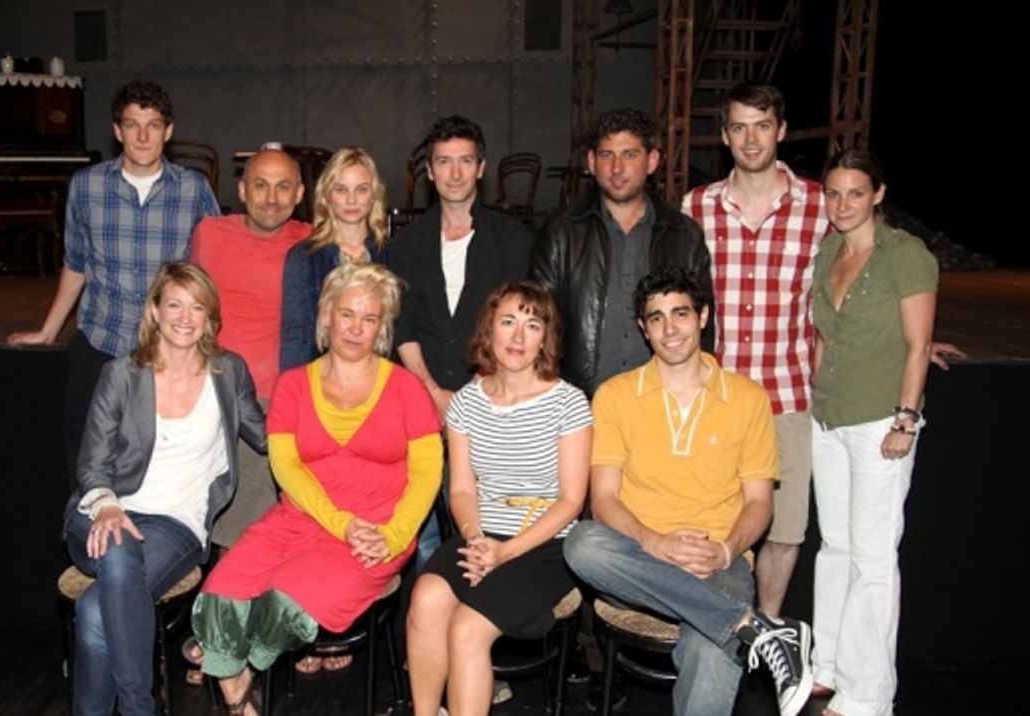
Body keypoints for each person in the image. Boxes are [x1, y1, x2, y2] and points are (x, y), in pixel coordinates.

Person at [563, 267, 812, 716]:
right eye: (656, 317)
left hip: (718, 565)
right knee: (582, 544)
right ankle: (756, 629)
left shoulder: (748, 398)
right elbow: (604, 499)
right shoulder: (616, 395)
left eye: (680, 313)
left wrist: (725, 551)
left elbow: (760, 504)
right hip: (639, 559)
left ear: (702, 316)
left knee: (711, 656)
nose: (670, 328)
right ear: (643, 329)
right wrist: (653, 542)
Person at [683, 83, 964, 620]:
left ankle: (768, 630)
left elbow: (869, 273)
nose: (751, 139)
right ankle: (716, 627)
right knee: (711, 522)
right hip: (715, 398)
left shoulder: (820, 205)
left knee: (787, 529)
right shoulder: (695, 207)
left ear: (782, 131)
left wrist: (910, 341)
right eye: (739, 127)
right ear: (723, 136)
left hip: (789, 397)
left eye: (762, 126)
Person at [190, 262, 443, 716]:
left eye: (370, 318)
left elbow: (429, 472)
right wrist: (339, 521)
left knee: (283, 602)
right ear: (326, 316)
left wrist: (394, 536)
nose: (356, 328)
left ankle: (240, 668)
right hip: (301, 518)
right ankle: (234, 683)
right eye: (347, 314)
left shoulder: (406, 388)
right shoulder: (292, 385)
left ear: (382, 327)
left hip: (377, 530)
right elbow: (287, 469)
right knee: (219, 593)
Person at [63, 261, 266, 716]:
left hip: (175, 526)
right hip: (101, 511)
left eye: (197, 307)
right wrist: (107, 504)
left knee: (95, 611)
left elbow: (270, 434)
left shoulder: (228, 372)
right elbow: (91, 463)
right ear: (154, 310)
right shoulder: (121, 374)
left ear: (210, 318)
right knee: (118, 548)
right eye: (173, 304)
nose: (184, 317)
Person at [389, 282, 592, 716]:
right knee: (426, 598)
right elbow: (461, 489)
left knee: (467, 629)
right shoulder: (467, 402)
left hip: (546, 543)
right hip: (484, 533)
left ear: (546, 337)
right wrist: (478, 540)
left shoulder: (568, 402)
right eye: (508, 322)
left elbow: (571, 501)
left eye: (533, 324)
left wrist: (504, 552)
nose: (519, 336)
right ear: (489, 330)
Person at [9, 81, 220, 480]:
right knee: (87, 462)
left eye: (152, 125)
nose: (142, 136)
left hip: (166, 350)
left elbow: (209, 270)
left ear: (168, 131)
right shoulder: (86, 185)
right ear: (117, 130)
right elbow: (76, 264)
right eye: (132, 124)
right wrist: (48, 330)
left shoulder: (193, 189)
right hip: (101, 342)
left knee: (161, 466)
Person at [809, 149, 937, 716]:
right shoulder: (829, 250)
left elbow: (919, 345)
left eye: (855, 193)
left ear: (878, 194)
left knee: (872, 556)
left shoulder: (905, 255)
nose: (842, 205)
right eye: (833, 193)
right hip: (829, 417)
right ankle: (829, 664)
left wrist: (904, 420)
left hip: (879, 423)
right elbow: (825, 335)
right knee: (834, 546)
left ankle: (869, 694)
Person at [391, 114, 533, 572]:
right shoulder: (406, 244)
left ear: (481, 168)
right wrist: (433, 392)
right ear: (429, 172)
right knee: (423, 536)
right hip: (421, 404)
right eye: (443, 162)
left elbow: (516, 324)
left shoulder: (512, 239)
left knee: (485, 526)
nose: (455, 172)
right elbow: (403, 326)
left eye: (465, 161)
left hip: (493, 402)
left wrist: (473, 391)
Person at [532, 108, 713, 398]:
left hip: (663, 402)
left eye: (629, 155)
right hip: (580, 402)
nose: (617, 168)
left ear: (652, 161)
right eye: (607, 155)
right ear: (592, 162)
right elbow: (537, 320)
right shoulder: (560, 232)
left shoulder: (684, 235)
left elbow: (702, 323)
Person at [191, 148, 312, 553]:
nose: (271, 198)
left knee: (246, 536)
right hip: (205, 395)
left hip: (269, 401)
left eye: (283, 187)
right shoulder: (209, 233)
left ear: (299, 194)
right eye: (260, 185)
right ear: (242, 190)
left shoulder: (313, 242)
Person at [280, 146, 390, 372]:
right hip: (323, 376)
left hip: (381, 376)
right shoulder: (304, 257)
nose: (351, 199)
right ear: (327, 194)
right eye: (341, 189)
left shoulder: (393, 254)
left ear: (374, 195)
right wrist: (293, 387)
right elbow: (296, 335)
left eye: (361, 189)